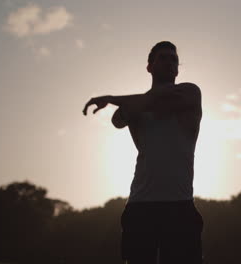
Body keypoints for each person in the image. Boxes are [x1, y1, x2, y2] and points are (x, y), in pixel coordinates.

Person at [82, 41, 203, 264]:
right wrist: (123, 104)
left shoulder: (190, 93)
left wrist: (111, 98)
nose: (169, 62)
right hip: (141, 205)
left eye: (174, 59)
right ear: (149, 66)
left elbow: (152, 102)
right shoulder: (135, 105)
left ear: (178, 69)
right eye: (163, 58)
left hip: (180, 204)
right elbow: (117, 120)